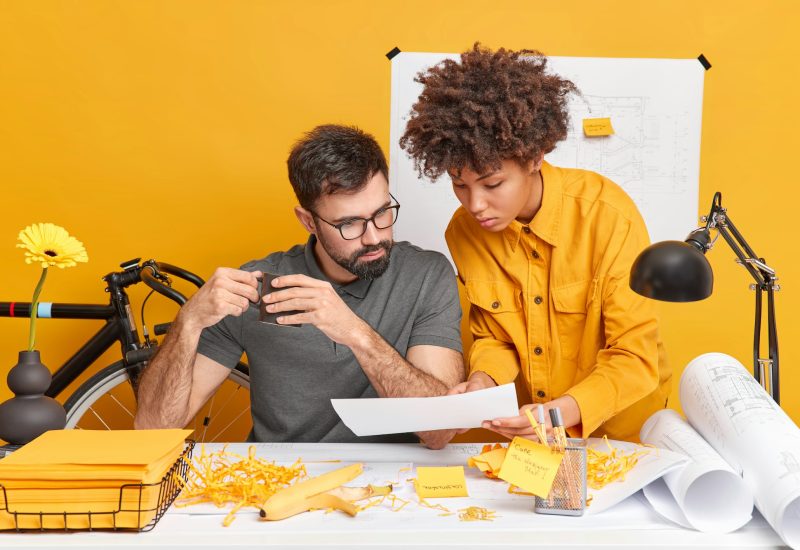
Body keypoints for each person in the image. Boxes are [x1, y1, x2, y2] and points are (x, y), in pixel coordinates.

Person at [399, 44, 671, 442]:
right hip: (529, 438)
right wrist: (481, 382)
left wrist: (561, 414)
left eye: (492, 184)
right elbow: (494, 336)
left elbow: (634, 357)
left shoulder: (608, 216)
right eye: (459, 184)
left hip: (618, 436)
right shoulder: (464, 231)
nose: (475, 204)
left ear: (534, 157)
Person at [135, 124, 465, 449]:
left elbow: (440, 432)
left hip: (392, 484)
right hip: (281, 479)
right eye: (349, 223)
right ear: (308, 221)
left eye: (382, 213)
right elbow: (153, 430)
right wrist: (187, 322)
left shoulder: (425, 276)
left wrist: (354, 332)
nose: (374, 236)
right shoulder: (259, 288)